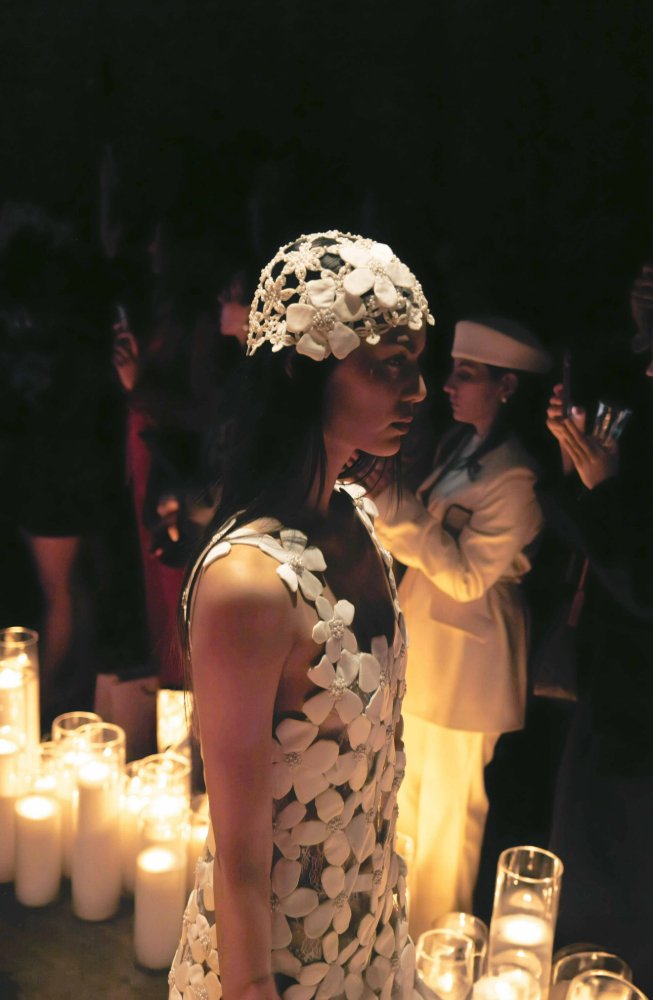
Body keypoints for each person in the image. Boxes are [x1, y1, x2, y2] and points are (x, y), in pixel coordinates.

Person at [168, 231, 435, 1000]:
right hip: (277, 965)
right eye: (386, 366)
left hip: (367, 937)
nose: (417, 390)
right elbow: (240, 855)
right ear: (299, 369)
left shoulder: (360, 520)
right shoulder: (248, 587)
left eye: (415, 363)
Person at [373, 317, 552, 938]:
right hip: (431, 653)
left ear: (508, 386)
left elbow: (469, 575)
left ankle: (435, 949)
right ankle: (398, 936)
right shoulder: (463, 446)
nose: (447, 384)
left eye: (466, 374)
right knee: (410, 804)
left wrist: (396, 510)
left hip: (468, 668)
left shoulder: (516, 476)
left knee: (449, 819)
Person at [543, 264, 653, 990]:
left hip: (639, 712)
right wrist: (576, 464)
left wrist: (601, 488)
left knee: (619, 896)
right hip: (612, 686)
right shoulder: (631, 387)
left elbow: (641, 579)